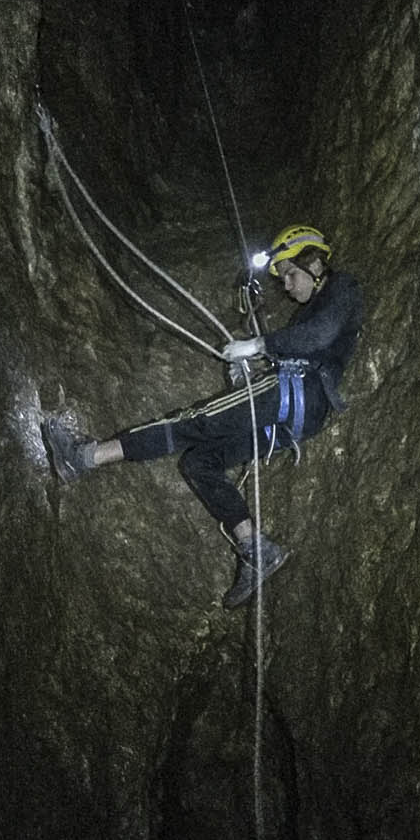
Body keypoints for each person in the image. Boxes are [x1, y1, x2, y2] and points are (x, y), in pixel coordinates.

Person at [42, 225, 364, 608]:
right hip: (295, 416)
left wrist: (258, 345)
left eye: (291, 275)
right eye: (284, 279)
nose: (288, 286)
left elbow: (320, 335)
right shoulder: (306, 314)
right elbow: (301, 343)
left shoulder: (343, 287)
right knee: (198, 462)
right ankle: (256, 549)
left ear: (314, 264)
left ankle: (83, 457)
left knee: (195, 420)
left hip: (294, 392)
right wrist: (251, 368)